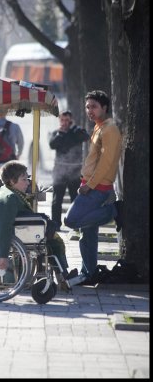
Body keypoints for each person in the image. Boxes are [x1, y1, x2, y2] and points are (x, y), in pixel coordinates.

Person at [64, 90, 122, 283]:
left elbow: (106, 163)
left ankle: (114, 211)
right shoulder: (99, 127)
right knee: (87, 234)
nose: (90, 110)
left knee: (71, 220)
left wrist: (89, 185)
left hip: (97, 189)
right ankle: (89, 273)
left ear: (104, 107)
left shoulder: (110, 129)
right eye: (88, 107)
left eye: (94, 106)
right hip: (91, 185)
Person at [0, 160, 77, 290]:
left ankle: (62, 276)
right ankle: (62, 276)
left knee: (53, 238)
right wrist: (3, 256)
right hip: (21, 233)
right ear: (11, 181)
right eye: (24, 179)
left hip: (23, 230)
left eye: (28, 179)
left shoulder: (9, 192)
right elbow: (4, 225)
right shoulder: (9, 198)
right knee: (54, 241)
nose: (28, 182)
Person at [49, 111, 90, 230]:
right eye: (62, 120)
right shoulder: (57, 133)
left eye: (67, 120)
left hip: (74, 170)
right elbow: (52, 145)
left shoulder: (77, 131)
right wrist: (61, 134)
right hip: (60, 170)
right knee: (57, 199)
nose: (65, 123)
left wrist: (70, 131)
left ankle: (75, 223)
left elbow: (86, 137)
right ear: (59, 120)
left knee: (75, 198)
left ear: (71, 120)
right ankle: (56, 224)